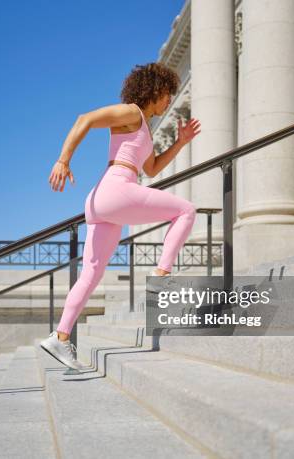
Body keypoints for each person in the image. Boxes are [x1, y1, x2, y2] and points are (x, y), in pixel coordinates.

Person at [39, 62, 201, 370]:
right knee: (186, 211)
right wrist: (63, 160)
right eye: (168, 94)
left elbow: (151, 169)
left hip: (102, 200)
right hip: (116, 189)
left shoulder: (145, 130)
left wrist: (179, 143)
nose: (169, 100)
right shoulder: (132, 113)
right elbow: (85, 119)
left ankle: (59, 338)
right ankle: (161, 275)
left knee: (91, 273)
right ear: (155, 89)